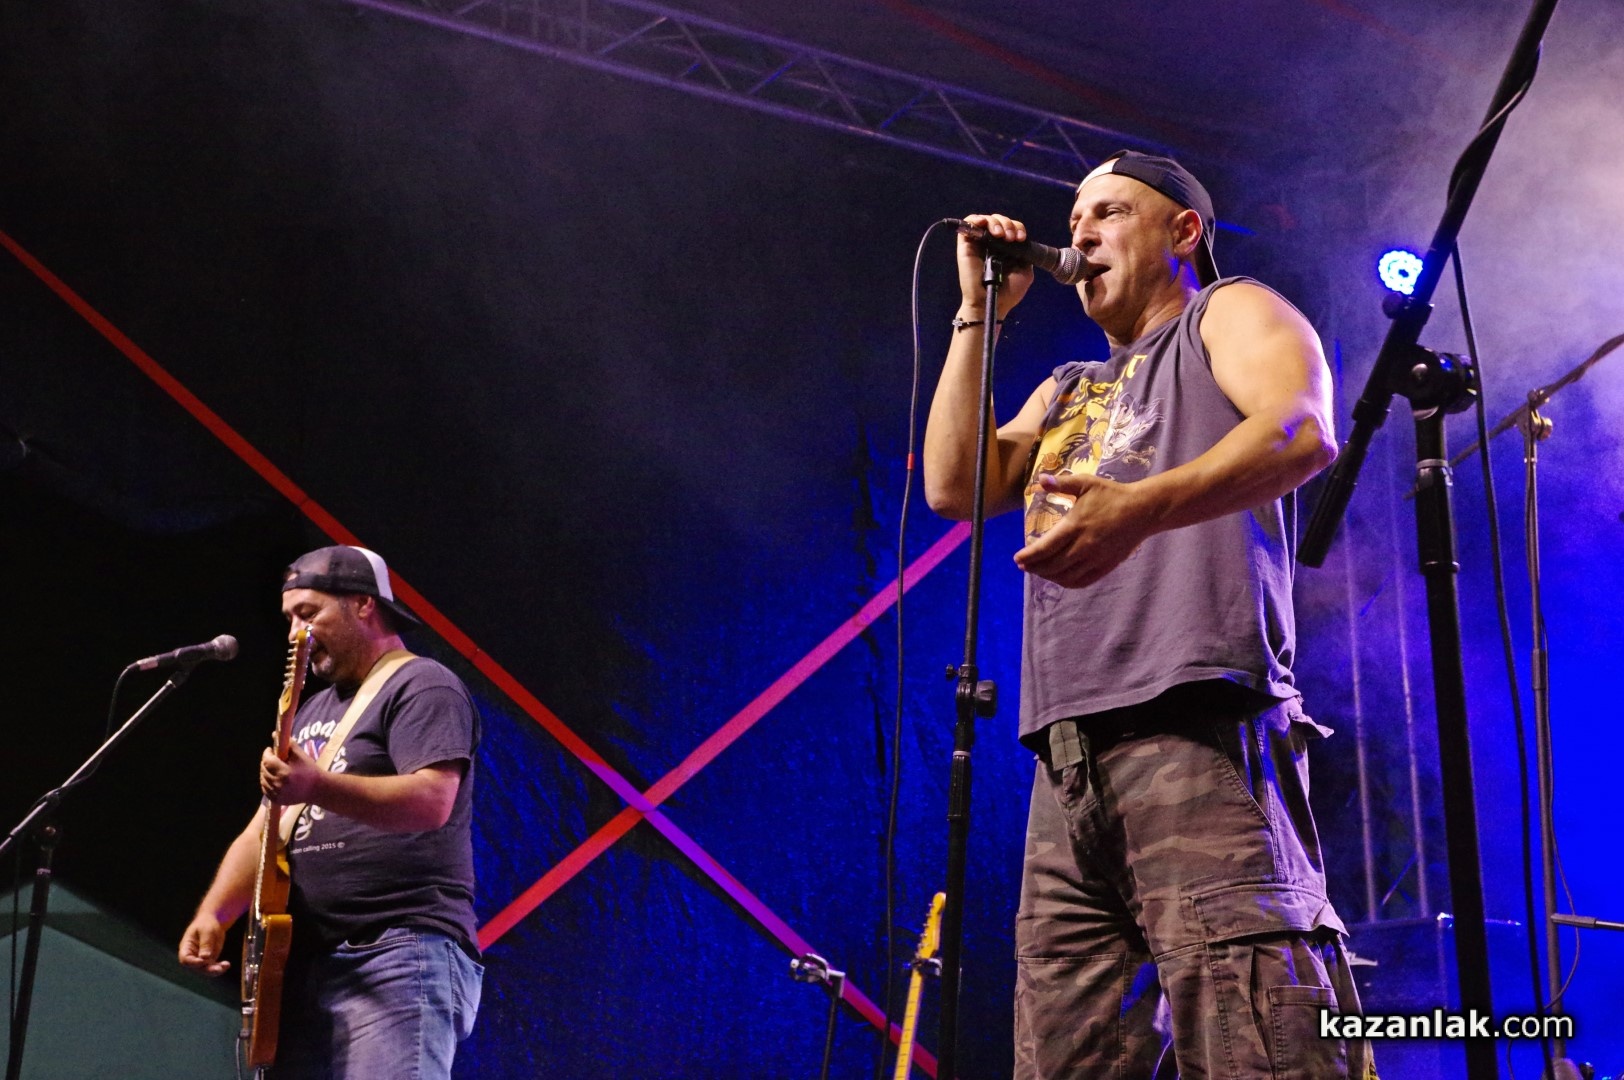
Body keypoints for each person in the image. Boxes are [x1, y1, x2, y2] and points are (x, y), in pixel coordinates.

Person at [923, 151, 1372, 1078]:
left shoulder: (1227, 311)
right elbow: (953, 485)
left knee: (1261, 1040)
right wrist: (979, 315)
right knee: (1068, 1057)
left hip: (1197, 722)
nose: (1081, 233)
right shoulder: (1067, 387)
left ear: (1183, 231)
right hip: (1068, 759)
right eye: (1074, 220)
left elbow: (1301, 427)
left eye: (1110, 213)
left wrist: (1139, 508)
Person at [178, 544, 483, 1079]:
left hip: (394, 952)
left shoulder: (423, 685)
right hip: (307, 962)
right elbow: (266, 828)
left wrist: (316, 785)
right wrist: (215, 915)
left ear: (363, 604)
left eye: (308, 613)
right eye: (289, 619)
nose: (296, 633)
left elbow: (432, 802)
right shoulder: (313, 709)